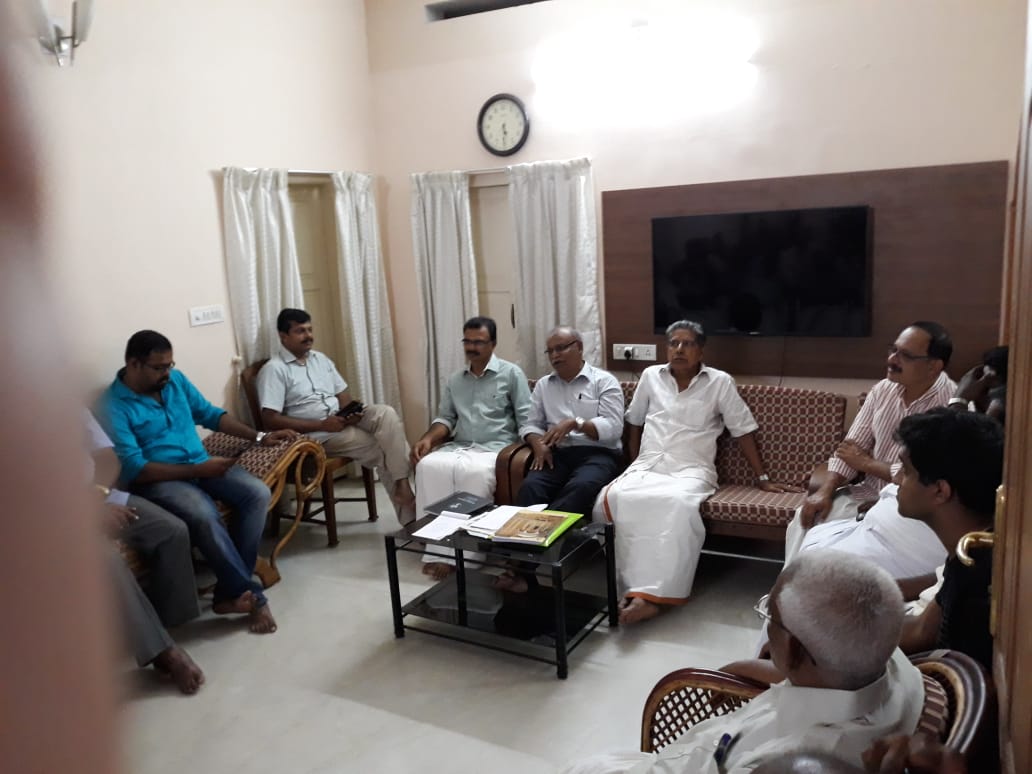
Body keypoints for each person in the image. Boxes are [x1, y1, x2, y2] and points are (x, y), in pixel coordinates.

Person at [561, 550, 924, 773]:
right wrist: (739, 667)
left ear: (796, 652)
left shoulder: (790, 761)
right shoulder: (882, 657)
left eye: (772, 617)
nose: (768, 627)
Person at [597, 321, 799, 625]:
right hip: (648, 464)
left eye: (687, 343)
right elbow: (634, 422)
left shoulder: (719, 382)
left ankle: (651, 597)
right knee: (612, 495)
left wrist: (763, 479)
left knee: (676, 505)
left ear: (701, 350)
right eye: (673, 343)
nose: (679, 349)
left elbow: (743, 430)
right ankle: (627, 587)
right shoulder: (651, 377)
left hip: (690, 470)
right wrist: (633, 461)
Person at [98, 330, 297, 634]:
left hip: (201, 464)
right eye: (159, 368)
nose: (167, 373)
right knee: (203, 514)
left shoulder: (175, 382)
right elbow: (136, 469)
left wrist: (260, 436)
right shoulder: (114, 405)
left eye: (170, 365)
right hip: (159, 479)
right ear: (134, 364)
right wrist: (200, 471)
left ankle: (230, 592)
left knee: (255, 493)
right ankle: (250, 594)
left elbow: (210, 415)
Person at [784, 322, 957, 579]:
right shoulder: (883, 389)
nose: (892, 360)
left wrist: (867, 464)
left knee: (837, 560)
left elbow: (922, 475)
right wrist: (825, 490)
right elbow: (850, 448)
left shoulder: (952, 406)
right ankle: (787, 602)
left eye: (905, 355)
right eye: (893, 350)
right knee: (807, 517)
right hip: (864, 495)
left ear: (934, 366)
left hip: (908, 510)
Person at [257, 308, 416, 524]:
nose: (308, 335)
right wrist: (322, 424)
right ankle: (412, 521)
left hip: (339, 420)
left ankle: (402, 485)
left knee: (386, 414)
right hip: (316, 434)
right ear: (283, 336)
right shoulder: (274, 370)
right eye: (300, 331)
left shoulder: (319, 359)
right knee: (382, 448)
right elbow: (270, 419)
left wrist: (349, 413)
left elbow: (344, 396)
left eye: (310, 329)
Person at [87, 410, 204, 694]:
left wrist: (99, 494)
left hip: (101, 496)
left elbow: (106, 458)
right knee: (105, 559)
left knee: (171, 530)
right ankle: (162, 652)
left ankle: (168, 622)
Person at [410, 316, 532, 579]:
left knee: (474, 477)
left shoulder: (512, 374)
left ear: (493, 343)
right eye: (468, 341)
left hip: (496, 449)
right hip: (461, 445)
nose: (472, 347)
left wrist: (531, 443)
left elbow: (527, 419)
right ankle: (437, 549)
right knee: (428, 466)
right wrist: (429, 438)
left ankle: (469, 556)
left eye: (479, 342)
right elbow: (446, 419)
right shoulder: (456, 380)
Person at [895, 409, 1003, 671]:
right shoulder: (973, 552)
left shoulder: (976, 566)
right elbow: (922, 629)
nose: (896, 478)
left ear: (939, 490)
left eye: (907, 471)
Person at [515, 326, 625, 516]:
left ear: (579, 347)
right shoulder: (544, 385)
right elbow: (530, 424)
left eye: (561, 348)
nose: (555, 356)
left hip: (598, 454)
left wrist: (577, 423)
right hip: (557, 454)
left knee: (580, 487)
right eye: (550, 351)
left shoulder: (604, 381)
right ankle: (524, 541)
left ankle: (545, 534)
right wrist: (537, 443)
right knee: (531, 487)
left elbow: (614, 428)